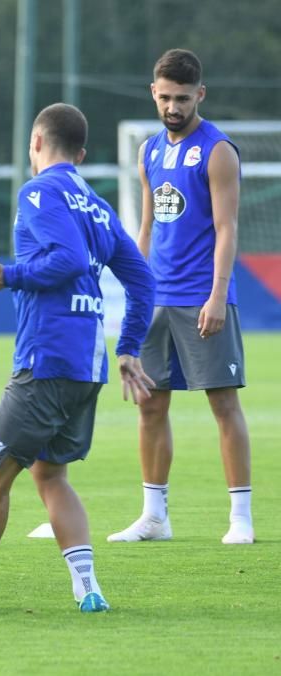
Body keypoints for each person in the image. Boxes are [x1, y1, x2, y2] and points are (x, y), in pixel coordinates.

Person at [0, 103, 156, 615]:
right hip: (88, 366)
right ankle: (88, 591)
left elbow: (65, 260)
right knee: (50, 476)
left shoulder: (38, 191)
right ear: (81, 154)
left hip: (47, 362)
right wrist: (127, 348)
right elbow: (143, 280)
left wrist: (7, 276)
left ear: (35, 144)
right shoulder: (98, 205)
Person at [107, 49, 254, 546]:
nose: (173, 106)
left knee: (223, 404)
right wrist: (136, 289)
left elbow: (227, 227)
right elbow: (147, 226)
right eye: (165, 97)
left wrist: (218, 295)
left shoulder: (217, 151)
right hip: (157, 299)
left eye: (183, 98)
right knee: (149, 404)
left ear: (200, 95)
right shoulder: (150, 150)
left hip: (201, 297)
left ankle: (240, 517)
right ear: (154, 92)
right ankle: (154, 516)